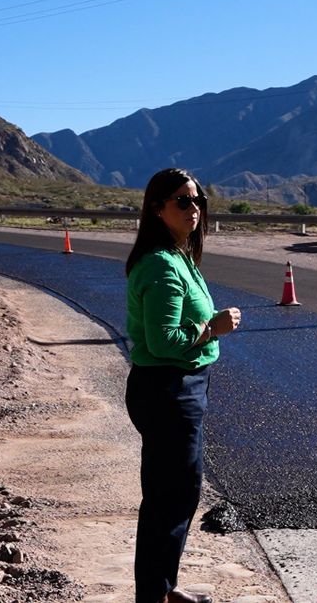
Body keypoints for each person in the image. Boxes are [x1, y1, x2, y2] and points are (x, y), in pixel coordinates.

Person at [124, 168, 242, 603]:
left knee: (175, 495)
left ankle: (163, 588)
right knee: (170, 499)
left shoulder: (177, 256)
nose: (194, 208)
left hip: (176, 388)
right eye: (182, 200)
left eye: (198, 200)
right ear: (158, 209)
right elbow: (164, 341)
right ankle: (154, 595)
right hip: (168, 390)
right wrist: (212, 328)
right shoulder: (161, 264)